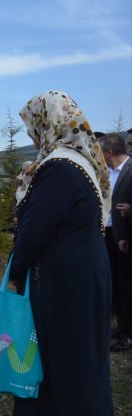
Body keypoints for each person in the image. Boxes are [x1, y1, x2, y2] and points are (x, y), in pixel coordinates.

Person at [9, 91, 112, 415]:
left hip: (65, 283)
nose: (30, 134)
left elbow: (33, 232)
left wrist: (15, 272)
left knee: (64, 360)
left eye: (32, 126)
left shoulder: (59, 168)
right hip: (84, 273)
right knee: (83, 357)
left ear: (48, 123)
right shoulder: (82, 162)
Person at [98, 133, 132, 352]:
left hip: (126, 238)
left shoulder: (130, 170)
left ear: (109, 152)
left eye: (101, 151)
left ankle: (129, 334)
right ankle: (121, 327)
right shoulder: (106, 173)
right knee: (116, 284)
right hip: (108, 234)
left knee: (128, 285)